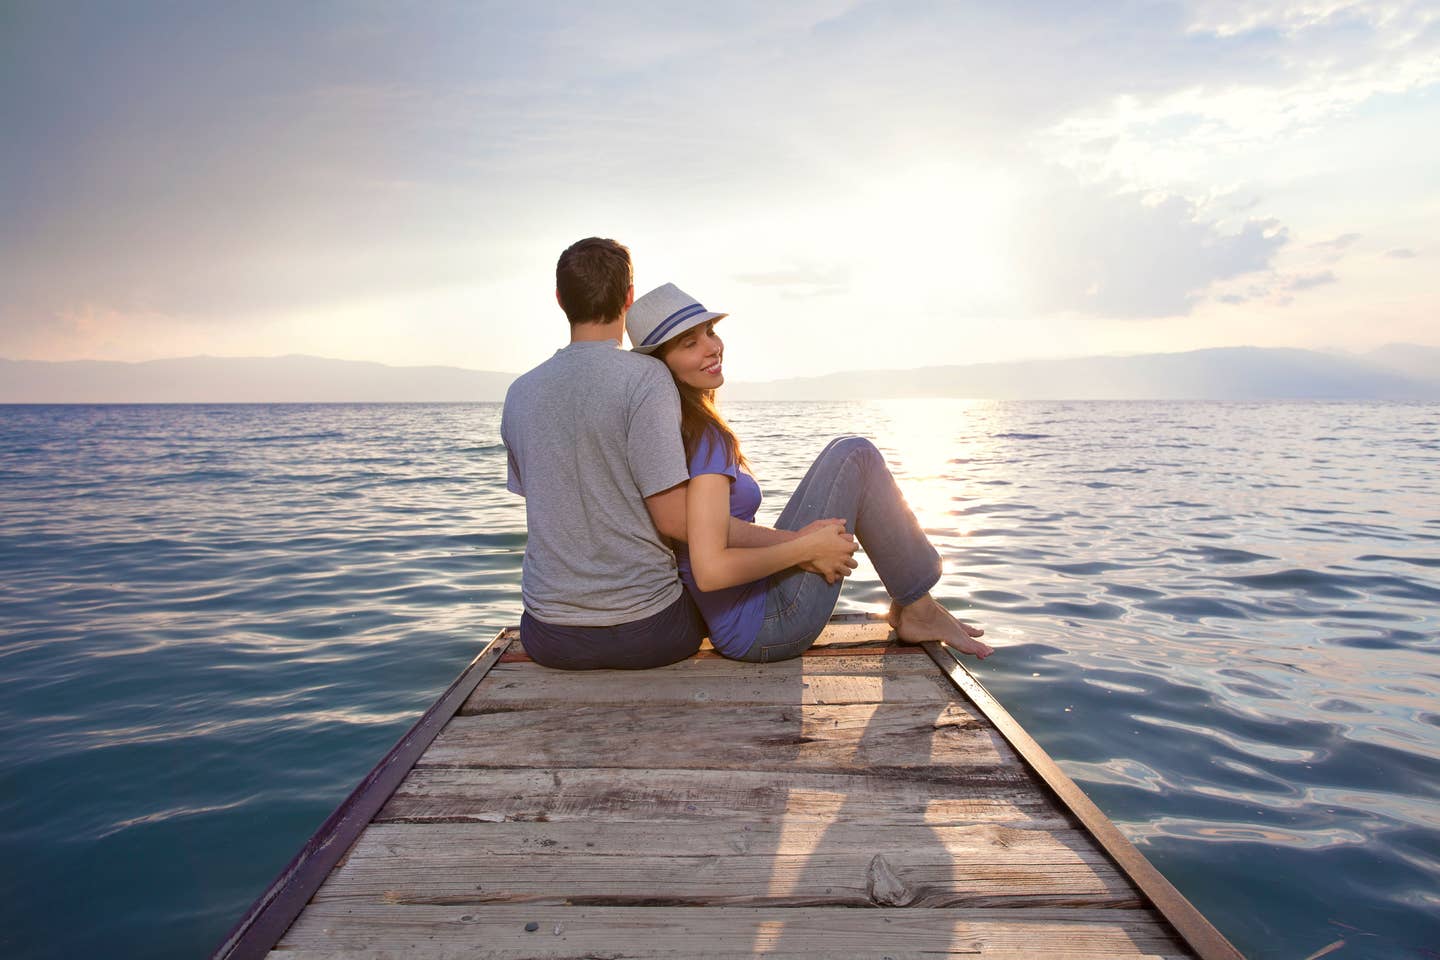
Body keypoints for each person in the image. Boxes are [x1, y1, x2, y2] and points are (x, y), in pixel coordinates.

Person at [500, 239, 855, 670]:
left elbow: (548, 501)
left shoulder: (519, 393)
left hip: (548, 636)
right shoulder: (646, 378)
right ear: (628, 298)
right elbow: (674, 521)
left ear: (560, 300)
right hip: (649, 632)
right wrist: (798, 543)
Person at [626, 282, 994, 664]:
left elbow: (712, 537)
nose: (712, 346)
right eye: (689, 343)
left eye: (710, 332)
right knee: (855, 455)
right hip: (765, 627)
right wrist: (803, 550)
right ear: (660, 364)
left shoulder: (672, 433)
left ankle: (915, 604)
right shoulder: (705, 437)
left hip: (747, 616)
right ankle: (919, 609)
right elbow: (711, 572)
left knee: (845, 450)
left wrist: (799, 546)